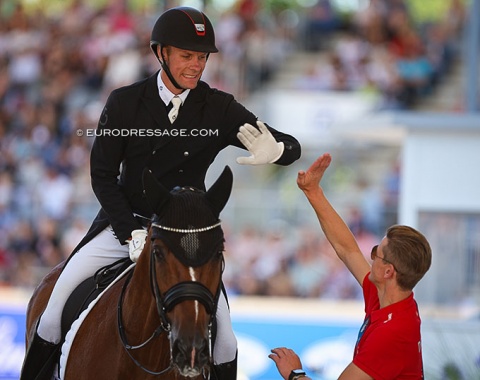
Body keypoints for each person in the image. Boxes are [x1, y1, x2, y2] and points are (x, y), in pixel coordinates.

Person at [21, 6, 301, 380]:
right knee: (54, 309)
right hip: (127, 226)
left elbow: (291, 146)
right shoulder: (124, 102)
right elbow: (102, 176)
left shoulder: (217, 107)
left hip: (185, 240)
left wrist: (278, 151)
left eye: (202, 57)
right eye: (187, 55)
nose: (196, 65)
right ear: (161, 53)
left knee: (227, 343)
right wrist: (129, 233)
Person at [269, 153, 431, 380]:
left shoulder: (392, 331)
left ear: (388, 271)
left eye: (377, 253)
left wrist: (294, 373)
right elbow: (348, 249)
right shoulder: (391, 298)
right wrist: (313, 192)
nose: (370, 256)